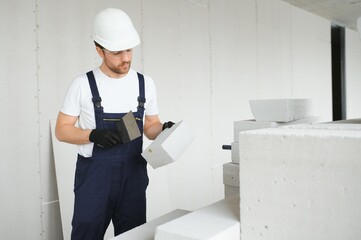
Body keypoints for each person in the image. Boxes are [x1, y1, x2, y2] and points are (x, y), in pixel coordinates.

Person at [55, 8, 174, 240]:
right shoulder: (82, 85)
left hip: (133, 177)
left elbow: (150, 126)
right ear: (99, 50)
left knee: (133, 236)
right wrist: (92, 135)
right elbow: (61, 130)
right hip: (94, 179)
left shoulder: (144, 83)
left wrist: (163, 129)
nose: (126, 58)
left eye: (129, 50)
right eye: (117, 52)